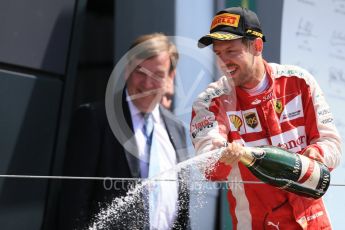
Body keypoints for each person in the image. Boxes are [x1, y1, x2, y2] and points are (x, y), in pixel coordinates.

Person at [190, 7, 341, 229]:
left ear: (257, 46)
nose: (224, 62)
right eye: (218, 54)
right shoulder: (209, 102)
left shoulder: (299, 82)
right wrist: (223, 154)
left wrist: (316, 155)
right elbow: (208, 165)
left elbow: (333, 146)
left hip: (313, 222)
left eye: (231, 51)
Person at [58, 33, 191, 230]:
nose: (147, 84)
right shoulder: (95, 119)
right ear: (127, 69)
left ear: (170, 77)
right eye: (140, 72)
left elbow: (181, 208)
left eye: (158, 75)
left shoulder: (177, 128)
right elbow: (73, 203)